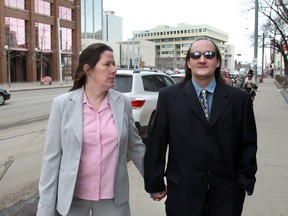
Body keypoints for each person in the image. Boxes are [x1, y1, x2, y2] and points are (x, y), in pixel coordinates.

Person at [144, 38, 257, 216]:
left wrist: (243, 181)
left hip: (227, 195)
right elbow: (156, 142)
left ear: (218, 61)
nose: (202, 59)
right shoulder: (168, 97)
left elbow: (248, 144)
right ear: (188, 62)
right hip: (182, 194)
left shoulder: (239, 99)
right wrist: (154, 182)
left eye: (209, 55)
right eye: (195, 55)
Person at [37, 43, 146, 216]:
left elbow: (135, 147)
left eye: (114, 64)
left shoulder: (122, 102)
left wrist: (154, 182)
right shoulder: (62, 104)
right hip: (72, 199)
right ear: (88, 69)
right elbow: (51, 160)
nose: (114, 69)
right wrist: (44, 211)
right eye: (107, 64)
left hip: (113, 198)